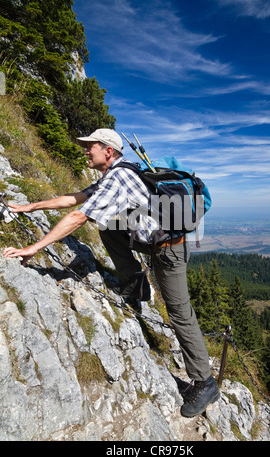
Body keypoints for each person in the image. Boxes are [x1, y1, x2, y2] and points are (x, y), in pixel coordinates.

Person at [3, 128, 220, 417]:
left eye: (89, 146)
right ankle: (137, 283)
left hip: (170, 249)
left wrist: (34, 247)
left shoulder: (118, 177)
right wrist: (26, 207)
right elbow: (74, 199)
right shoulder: (113, 175)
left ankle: (205, 382)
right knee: (107, 227)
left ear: (108, 151)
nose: (84, 150)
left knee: (180, 312)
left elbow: (78, 217)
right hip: (153, 241)